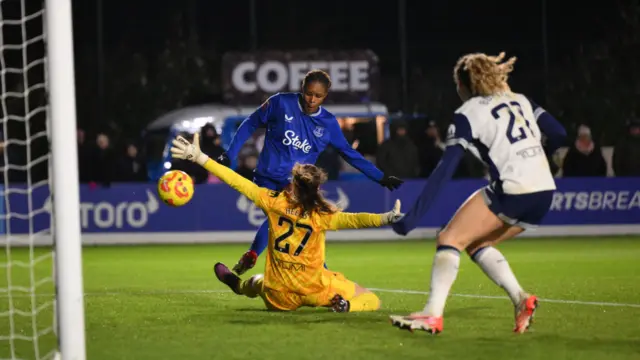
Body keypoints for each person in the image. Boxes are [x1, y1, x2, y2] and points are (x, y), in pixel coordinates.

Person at [389, 52, 567, 334]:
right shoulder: (521, 100)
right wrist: (539, 159)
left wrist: (412, 218)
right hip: (544, 192)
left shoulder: (468, 112)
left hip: (513, 190)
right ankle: (521, 299)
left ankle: (432, 314)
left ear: (463, 85)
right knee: (475, 243)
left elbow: (444, 170)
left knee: (449, 238)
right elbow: (559, 133)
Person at [170, 133, 404, 312]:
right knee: (371, 299)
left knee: (258, 283)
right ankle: (346, 306)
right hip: (315, 291)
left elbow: (236, 181)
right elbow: (355, 220)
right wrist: (386, 218)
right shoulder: (321, 214)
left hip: (279, 296)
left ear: (294, 186)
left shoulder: (273, 202)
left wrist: (199, 157)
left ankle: (237, 284)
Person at [217, 69, 404, 275]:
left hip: (297, 184)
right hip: (266, 177)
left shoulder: (329, 124)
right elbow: (250, 123)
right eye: (308, 93)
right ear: (302, 89)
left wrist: (380, 177)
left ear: (325, 96)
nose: (312, 99)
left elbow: (349, 153)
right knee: (281, 218)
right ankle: (320, 275)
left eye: (318, 96)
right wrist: (230, 154)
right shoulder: (280, 103)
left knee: (295, 224)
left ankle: (256, 256)